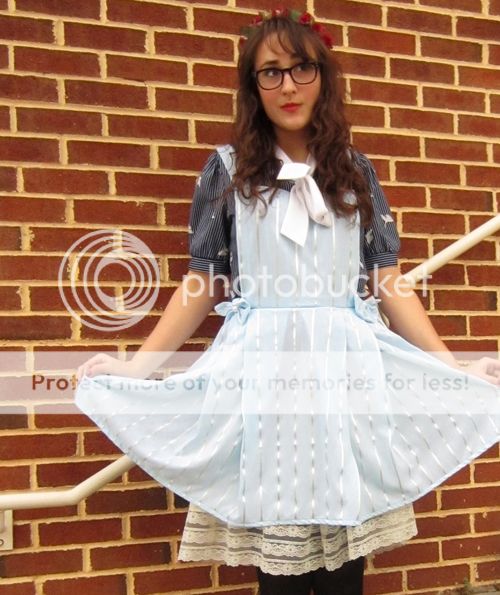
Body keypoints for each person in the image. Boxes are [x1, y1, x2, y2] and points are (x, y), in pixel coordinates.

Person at [75, 8, 500, 595]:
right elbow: (203, 281)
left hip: (345, 375)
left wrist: (450, 368)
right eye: (270, 72)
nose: (288, 86)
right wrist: (137, 368)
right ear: (254, 87)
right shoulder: (228, 172)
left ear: (322, 77)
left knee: (345, 556)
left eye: (302, 68)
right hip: (264, 379)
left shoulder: (354, 172)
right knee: (278, 557)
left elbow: (388, 280)